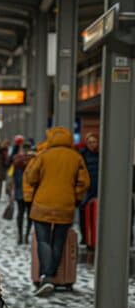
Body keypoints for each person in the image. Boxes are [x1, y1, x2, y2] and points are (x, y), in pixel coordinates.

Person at [26, 127, 90, 297]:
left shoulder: (44, 155)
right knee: (58, 242)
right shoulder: (76, 157)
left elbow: (31, 177)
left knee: (43, 241)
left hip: (42, 204)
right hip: (66, 205)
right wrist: (74, 195)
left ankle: (47, 278)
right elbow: (84, 182)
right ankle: (50, 275)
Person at [78, 133, 99, 246]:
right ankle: (85, 237)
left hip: (98, 187)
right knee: (83, 212)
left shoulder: (101, 154)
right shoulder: (82, 154)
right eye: (90, 142)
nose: (92, 144)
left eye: (94, 142)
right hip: (87, 188)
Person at [11, 142, 34, 244]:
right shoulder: (33, 160)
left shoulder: (18, 159)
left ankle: (23, 236)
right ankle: (23, 236)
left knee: (24, 214)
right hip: (25, 191)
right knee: (25, 214)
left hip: (24, 191)